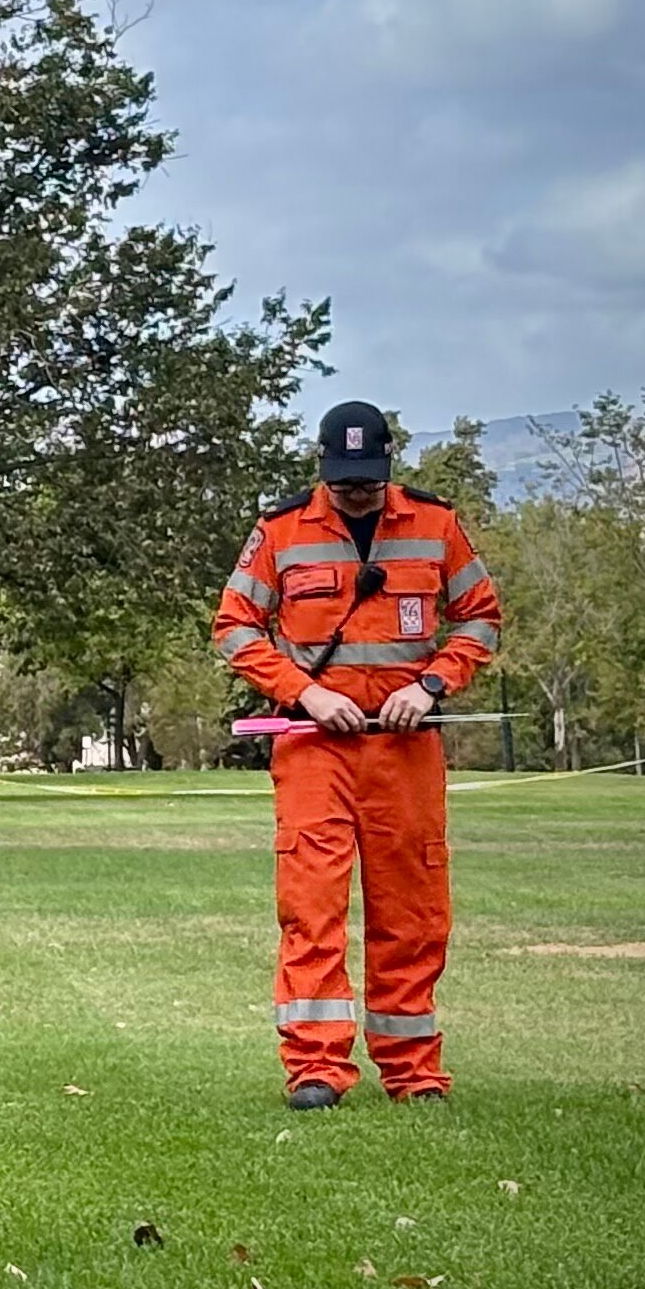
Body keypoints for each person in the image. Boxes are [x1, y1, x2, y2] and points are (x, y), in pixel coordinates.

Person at [211, 399, 503, 1106]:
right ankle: (315, 1067)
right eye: (344, 483)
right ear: (323, 471)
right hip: (315, 748)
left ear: (388, 466)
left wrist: (432, 684)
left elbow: (482, 619)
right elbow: (234, 629)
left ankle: (413, 1069)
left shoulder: (436, 526)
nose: (357, 494)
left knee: (413, 909)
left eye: (368, 481)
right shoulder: (281, 532)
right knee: (310, 906)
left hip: (404, 749)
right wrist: (305, 693)